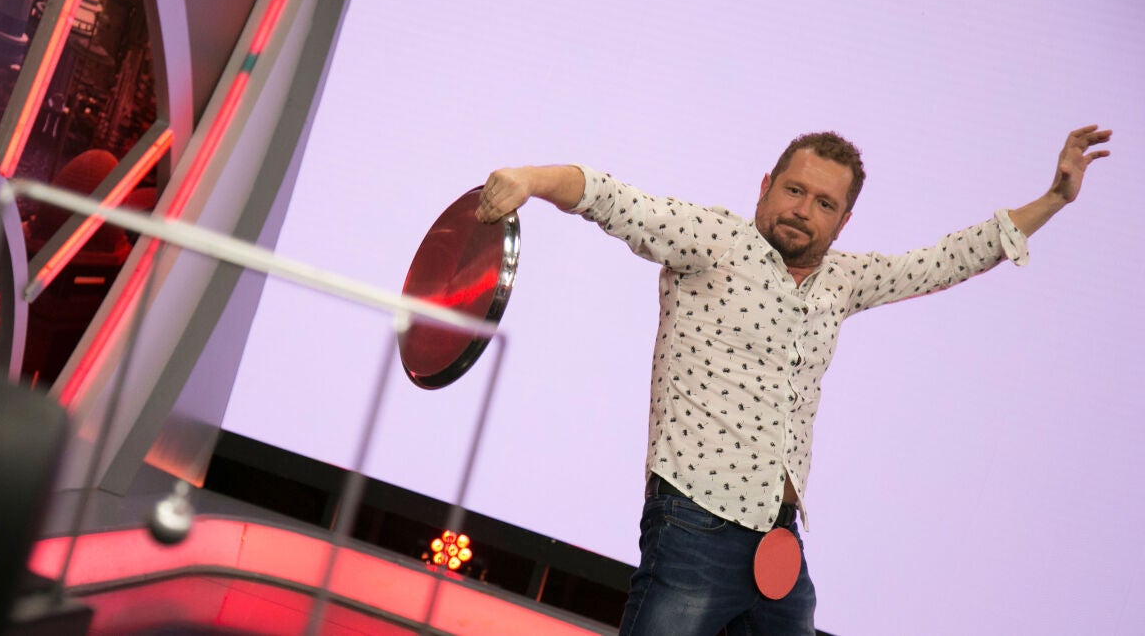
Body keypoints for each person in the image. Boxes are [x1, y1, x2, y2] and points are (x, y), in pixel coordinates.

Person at [475, 125, 1112, 635]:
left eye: (824, 203)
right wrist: (529, 178)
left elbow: (947, 260)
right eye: (794, 190)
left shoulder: (845, 279)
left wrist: (1054, 198)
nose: (803, 211)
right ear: (766, 186)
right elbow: (613, 198)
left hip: (779, 539)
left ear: (843, 221)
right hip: (693, 526)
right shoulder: (714, 240)